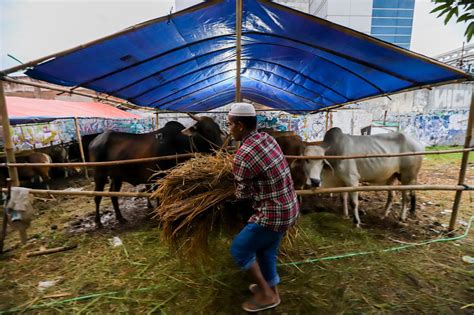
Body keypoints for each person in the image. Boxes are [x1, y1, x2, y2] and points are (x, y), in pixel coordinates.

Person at [227, 102, 300, 312]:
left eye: (230, 124)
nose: (229, 128)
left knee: (240, 249)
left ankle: (266, 295)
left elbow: (243, 195)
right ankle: (271, 290)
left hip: (273, 214)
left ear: (240, 126)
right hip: (290, 207)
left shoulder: (243, 155)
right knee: (266, 251)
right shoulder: (267, 138)